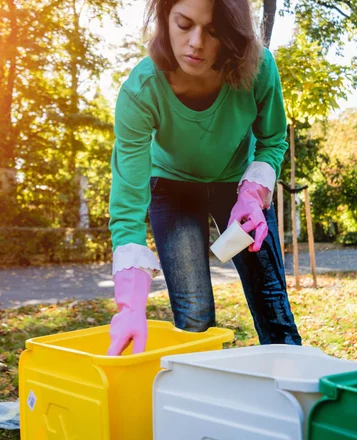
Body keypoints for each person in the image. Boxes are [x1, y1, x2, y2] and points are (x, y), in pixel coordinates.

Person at [107, 0, 302, 355]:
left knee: (271, 298)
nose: (196, 42)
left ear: (231, 34)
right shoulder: (140, 91)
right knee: (194, 315)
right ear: (165, 20)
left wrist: (253, 192)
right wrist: (131, 304)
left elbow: (273, 139)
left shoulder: (259, 68)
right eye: (184, 24)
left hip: (238, 186)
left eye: (213, 31)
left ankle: (296, 397)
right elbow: (128, 204)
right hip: (173, 188)